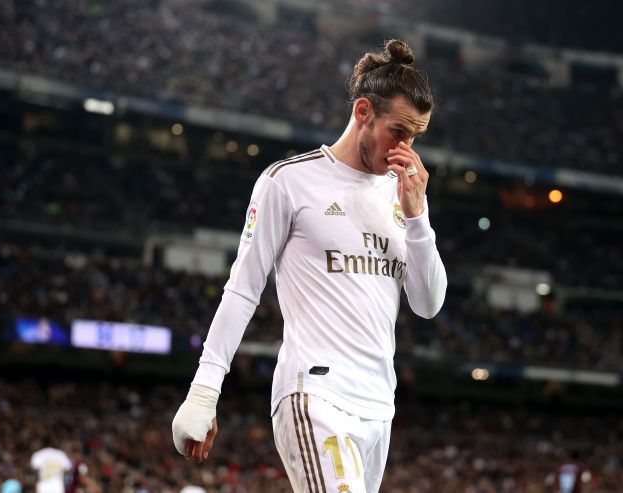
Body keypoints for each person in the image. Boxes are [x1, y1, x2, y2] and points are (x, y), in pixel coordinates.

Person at [172, 39, 447, 493]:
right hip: (314, 392)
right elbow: (243, 288)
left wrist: (418, 216)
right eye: (398, 131)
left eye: (416, 136)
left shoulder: (402, 195)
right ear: (363, 112)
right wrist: (205, 390)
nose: (406, 147)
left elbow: (428, 303)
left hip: (379, 406)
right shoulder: (290, 182)